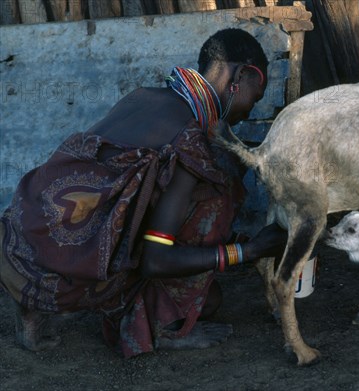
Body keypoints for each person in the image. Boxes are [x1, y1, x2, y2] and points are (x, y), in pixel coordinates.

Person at [0, 28, 288, 358]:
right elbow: (156, 260)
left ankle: (35, 303)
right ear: (240, 75)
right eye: (257, 94)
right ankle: (161, 326)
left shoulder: (142, 97)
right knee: (220, 188)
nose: (251, 110)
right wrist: (248, 251)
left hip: (23, 236)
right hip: (75, 261)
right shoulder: (189, 141)